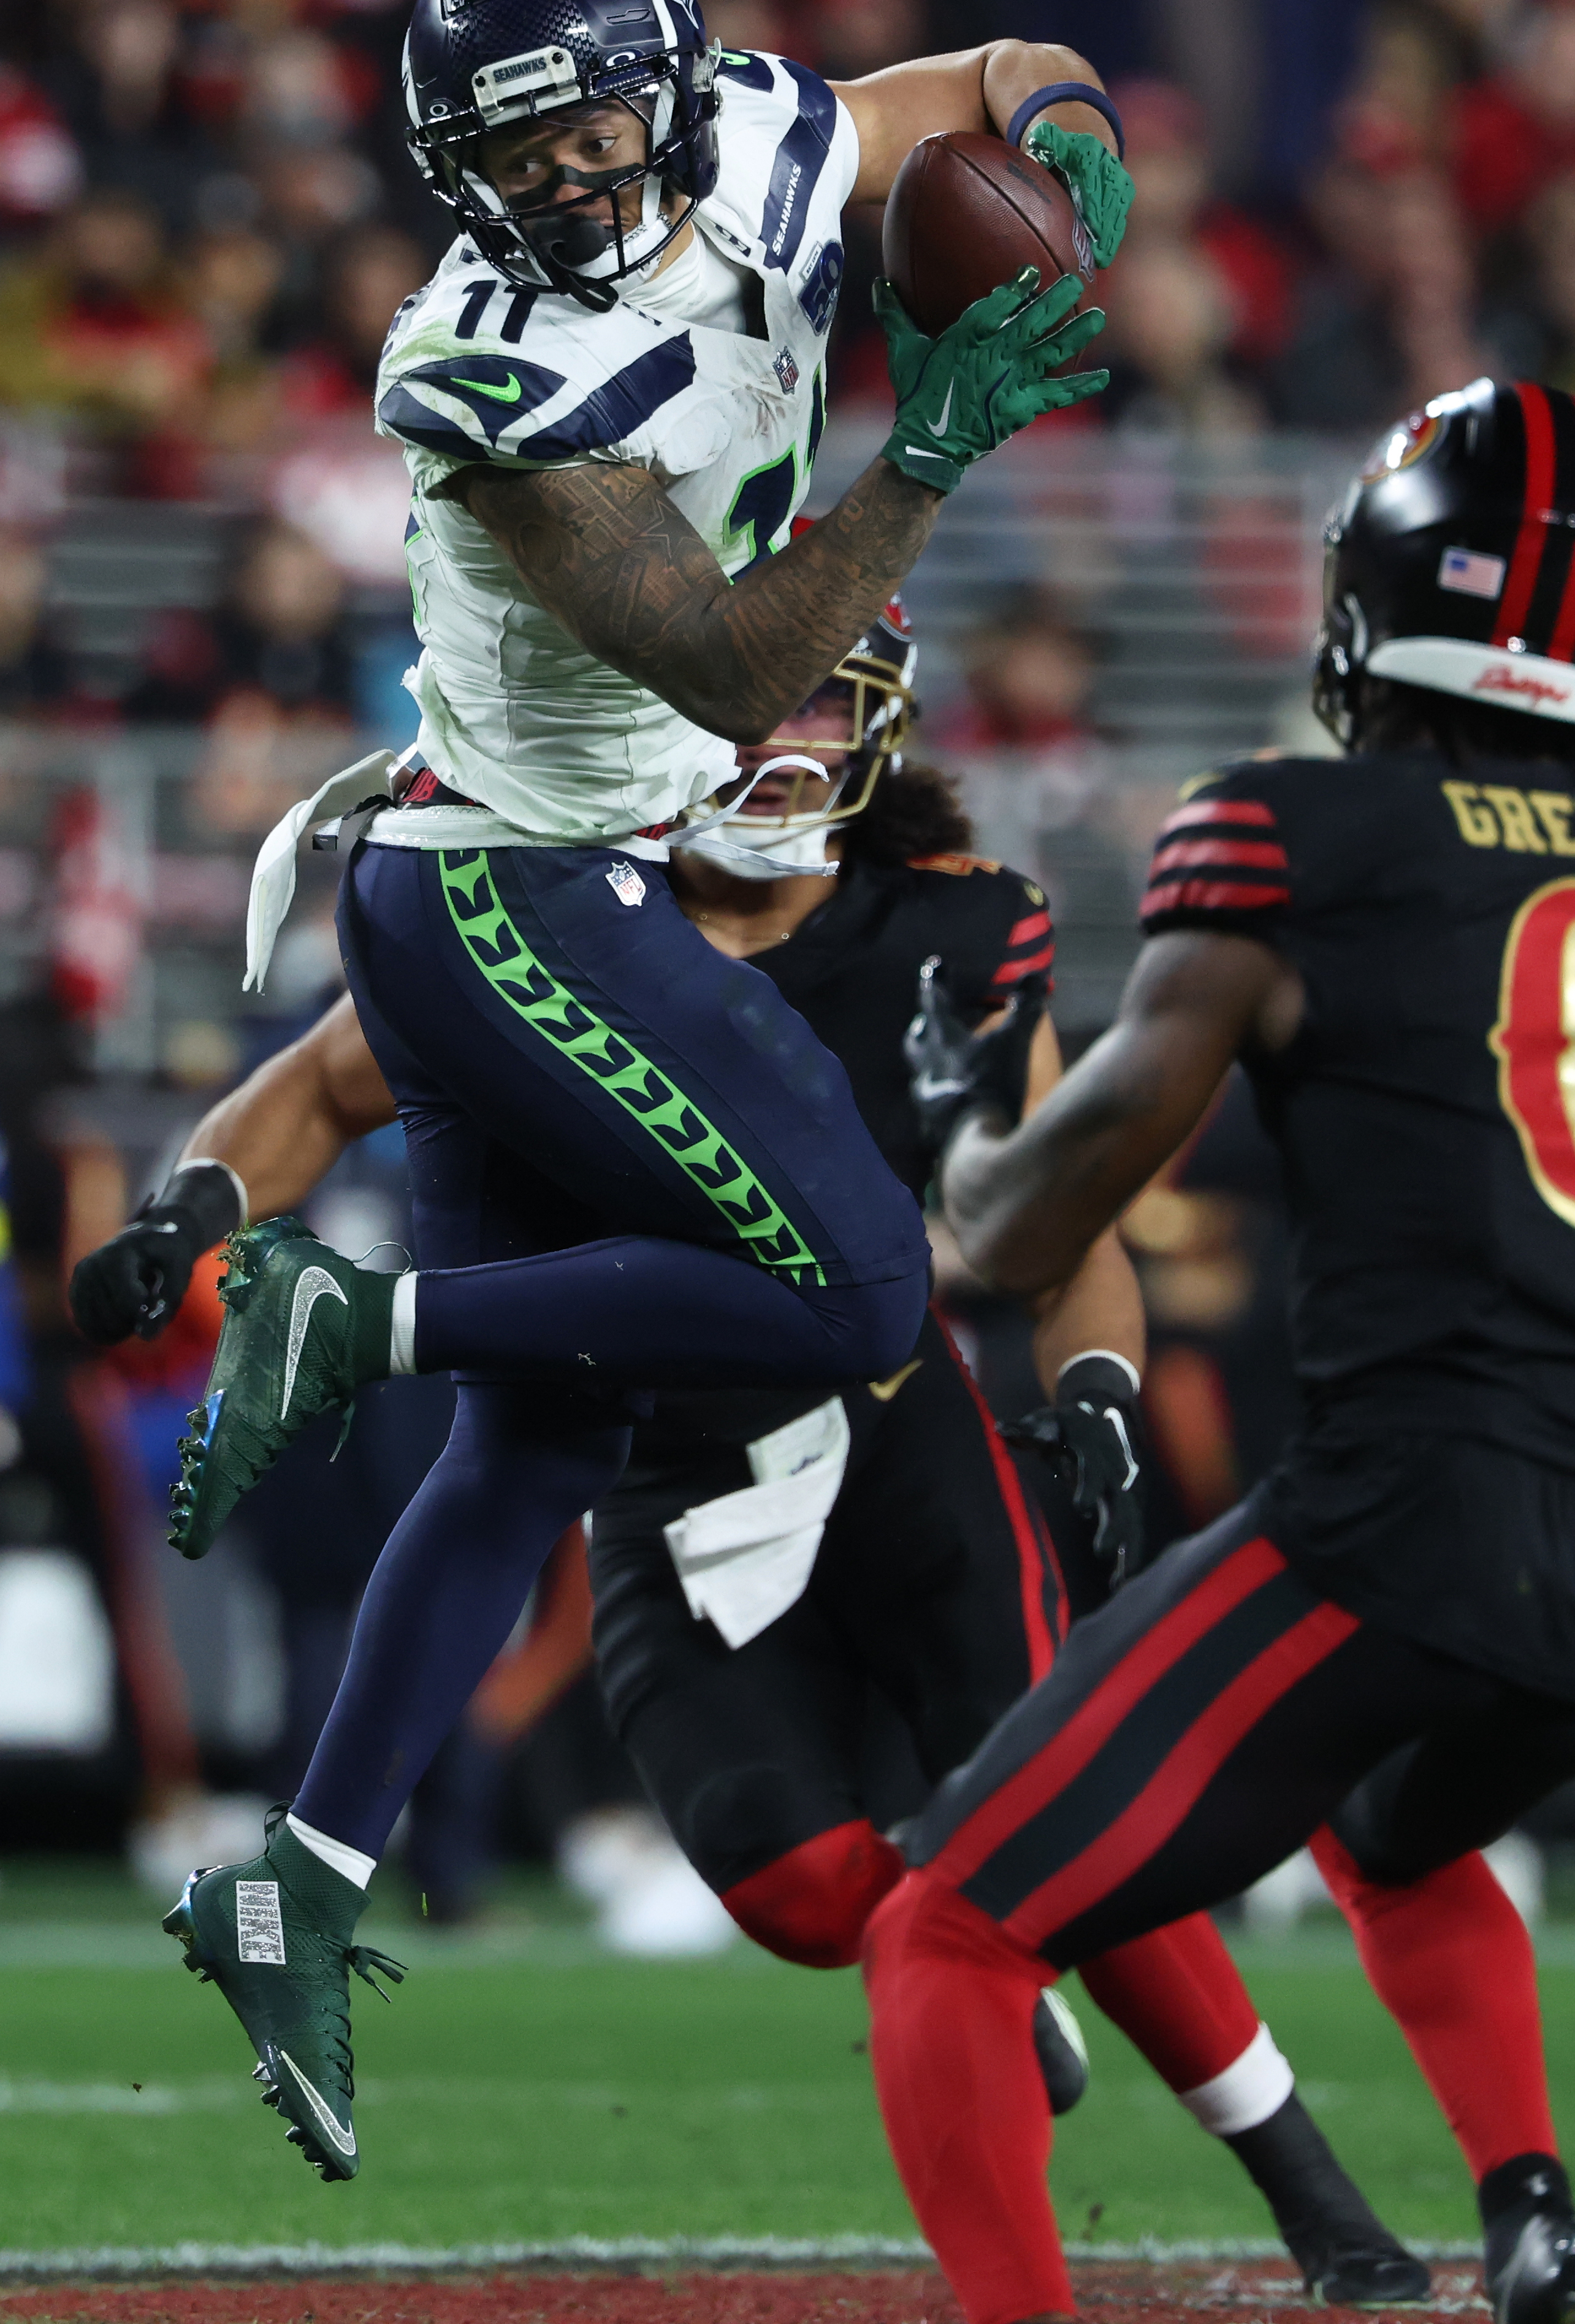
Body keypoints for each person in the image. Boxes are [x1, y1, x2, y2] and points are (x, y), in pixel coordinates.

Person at [93, 0, 1135, 2184]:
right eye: (512, 143)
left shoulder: (762, 135)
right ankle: (352, 1320)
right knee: (864, 1289)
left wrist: (1073, 151)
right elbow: (740, 671)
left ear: (666, 77)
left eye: (586, 121)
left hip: (535, 873)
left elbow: (992, 81)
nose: (562, 173)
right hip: (507, 891)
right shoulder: (472, 368)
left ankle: (301, 1875)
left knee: (538, 1453)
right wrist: (935, 445)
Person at [73, 616, 1427, 2301]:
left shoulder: (947, 927)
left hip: (899, 1443)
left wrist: (1089, 1383)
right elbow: (320, 1084)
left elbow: (1063, 1208)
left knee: (1056, 1826)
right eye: (725, 701)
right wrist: (185, 1208)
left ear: (875, 731)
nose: (767, 742)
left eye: (805, 706)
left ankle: (1315, 2198)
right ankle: (963, 1959)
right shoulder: (555, 915)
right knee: (796, 1890)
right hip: (668, 1470)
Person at [861, 377, 1575, 2324]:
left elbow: (1018, 1230)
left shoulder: (1294, 836)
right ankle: (1533, 2215)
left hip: (1398, 1528)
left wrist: (951, 1117)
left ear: (1374, 601)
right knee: (1391, 1830)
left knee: (950, 1928)